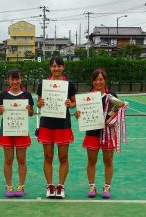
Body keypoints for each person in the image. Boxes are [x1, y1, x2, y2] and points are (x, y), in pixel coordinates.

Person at [74, 68, 127, 199]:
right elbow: (80, 115)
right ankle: (92, 186)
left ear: (105, 81)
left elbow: (119, 112)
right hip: (92, 133)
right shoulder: (87, 98)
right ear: (92, 81)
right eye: (95, 80)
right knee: (91, 161)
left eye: (101, 79)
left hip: (108, 134)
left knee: (108, 161)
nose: (98, 82)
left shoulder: (112, 96)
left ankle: (107, 187)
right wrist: (78, 115)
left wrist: (113, 120)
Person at [36, 56, 76, 199]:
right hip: (47, 124)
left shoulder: (69, 84)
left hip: (63, 125)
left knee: (63, 157)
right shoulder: (43, 84)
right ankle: (50, 186)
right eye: (53, 66)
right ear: (50, 68)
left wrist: (69, 104)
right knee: (48, 157)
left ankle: (60, 187)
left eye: (59, 66)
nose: (56, 69)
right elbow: (39, 102)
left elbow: (74, 103)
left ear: (63, 67)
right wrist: (39, 103)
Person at [0, 69, 34, 198]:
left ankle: (21, 185)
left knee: (21, 159)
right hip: (7, 130)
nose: (15, 82)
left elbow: (31, 113)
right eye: (12, 79)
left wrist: (29, 110)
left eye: (17, 79)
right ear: (8, 80)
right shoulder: (3, 95)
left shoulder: (27, 95)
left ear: (21, 79)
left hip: (21, 130)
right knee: (8, 160)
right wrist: (0, 110)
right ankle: (9, 185)